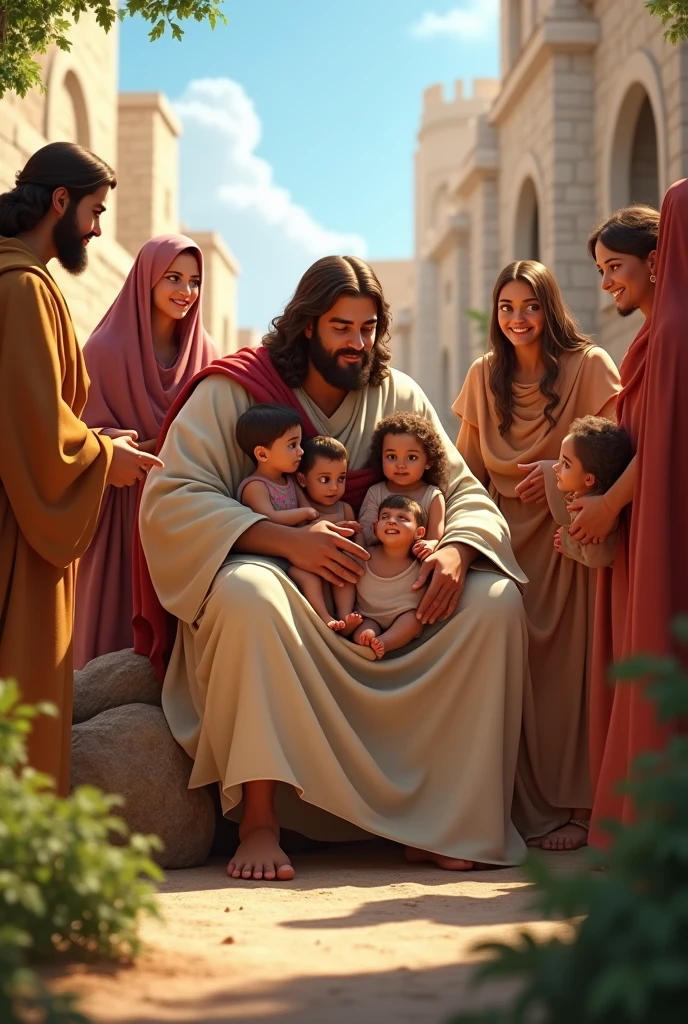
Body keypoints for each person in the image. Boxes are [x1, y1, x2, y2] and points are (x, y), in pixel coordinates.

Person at [134, 255, 532, 882]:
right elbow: (172, 496)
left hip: (387, 601)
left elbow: (464, 489)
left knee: (495, 602)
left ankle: (452, 819)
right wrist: (285, 543)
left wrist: (456, 548)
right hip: (292, 599)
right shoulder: (233, 391)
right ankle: (261, 818)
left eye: (368, 327)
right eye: (342, 327)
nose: (358, 342)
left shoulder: (396, 395)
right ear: (307, 327)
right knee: (250, 594)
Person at [0, 142, 161, 793]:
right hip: (18, 527)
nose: (98, 228)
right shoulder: (24, 290)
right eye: (95, 210)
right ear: (60, 202)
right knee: (23, 689)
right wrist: (102, 457)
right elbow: (35, 426)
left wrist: (89, 440)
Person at [453, 260, 620, 851]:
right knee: (512, 670)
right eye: (506, 307)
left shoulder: (590, 367)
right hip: (504, 542)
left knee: (571, 674)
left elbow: (616, 455)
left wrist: (556, 474)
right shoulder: (482, 376)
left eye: (529, 306)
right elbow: (467, 472)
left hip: (567, 543)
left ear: (550, 308)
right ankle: (514, 807)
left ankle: (582, 807)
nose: (518, 319)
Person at [569, 194, 684, 849]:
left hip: (655, 524)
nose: (608, 281)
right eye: (600, 270)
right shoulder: (656, 331)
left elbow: (667, 439)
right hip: (644, 527)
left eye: (616, 266)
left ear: (657, 260)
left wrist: (610, 504)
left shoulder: (669, 332)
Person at [73, 235, 218, 669]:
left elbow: (215, 431)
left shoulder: (207, 355)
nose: (186, 292)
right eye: (173, 278)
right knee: (108, 644)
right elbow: (78, 432)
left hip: (178, 510)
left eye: (194, 281)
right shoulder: (103, 351)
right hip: (116, 510)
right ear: (146, 280)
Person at [290, 435, 363, 634]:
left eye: (341, 479)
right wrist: (338, 526)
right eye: (324, 479)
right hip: (309, 567)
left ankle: (345, 616)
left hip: (337, 565)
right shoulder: (302, 507)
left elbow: (357, 539)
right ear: (303, 480)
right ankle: (324, 616)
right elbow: (305, 531)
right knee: (306, 576)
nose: (334, 487)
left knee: (346, 572)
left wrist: (357, 538)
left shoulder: (345, 508)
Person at [547, 416, 632, 569]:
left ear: (588, 479)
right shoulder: (587, 496)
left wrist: (568, 543)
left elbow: (597, 559)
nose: (555, 467)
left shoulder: (594, 513)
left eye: (565, 464)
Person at [358, 412, 447, 558]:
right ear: (381, 458)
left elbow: (435, 538)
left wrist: (430, 545)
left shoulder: (433, 496)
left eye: (411, 457)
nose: (400, 465)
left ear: (429, 461)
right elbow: (366, 534)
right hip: (377, 563)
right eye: (392, 457)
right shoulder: (375, 492)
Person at [353, 495, 427, 658]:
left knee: (413, 622)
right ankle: (368, 642)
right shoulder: (366, 555)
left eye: (402, 518)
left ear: (419, 532)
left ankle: (385, 642)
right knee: (363, 633)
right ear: (375, 527)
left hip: (403, 616)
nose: (391, 521)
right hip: (368, 616)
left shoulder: (421, 563)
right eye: (385, 516)